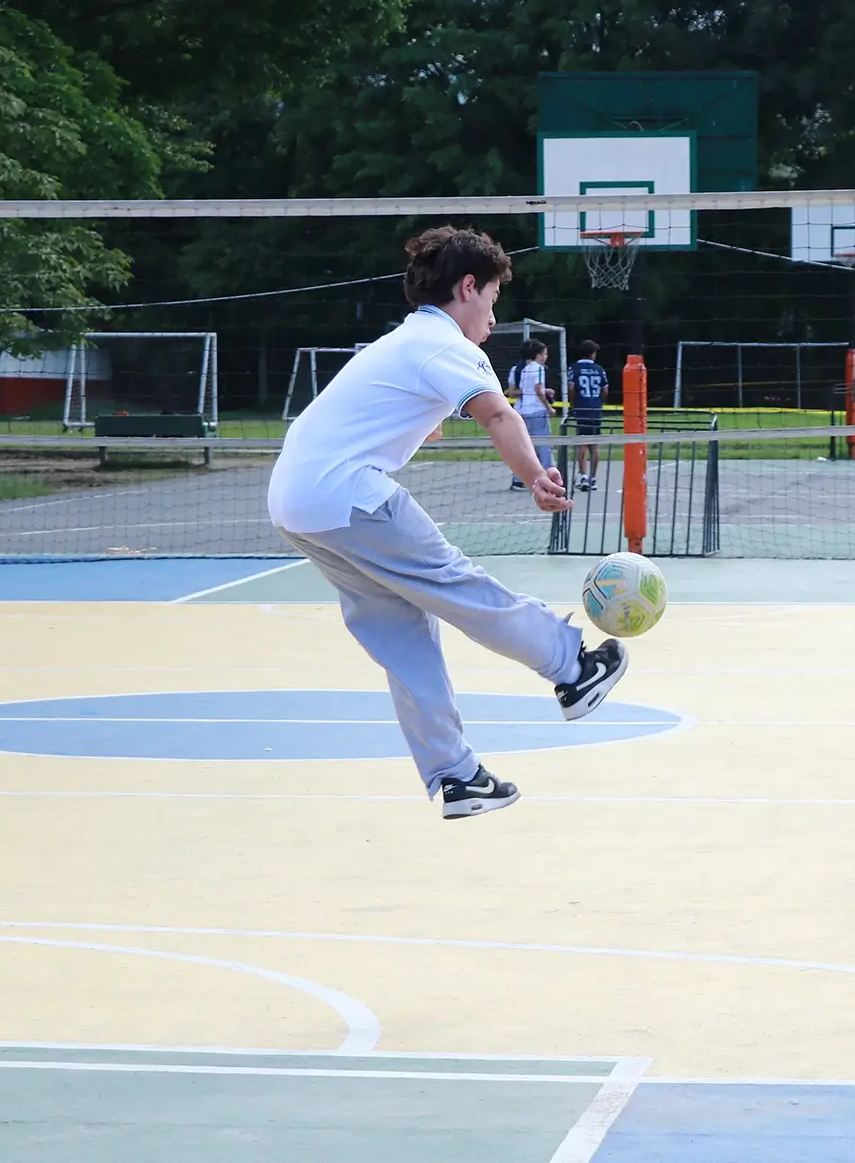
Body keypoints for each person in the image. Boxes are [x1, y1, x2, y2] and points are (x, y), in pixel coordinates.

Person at [267, 227, 629, 820]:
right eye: (491, 298)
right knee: (454, 584)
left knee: (404, 635)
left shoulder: (401, 343)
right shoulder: (445, 344)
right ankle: (573, 667)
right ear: (468, 287)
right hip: (347, 495)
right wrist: (538, 474)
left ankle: (457, 776)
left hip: (295, 504)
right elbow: (498, 415)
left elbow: (409, 417)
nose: (492, 314)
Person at [508, 340, 555, 490]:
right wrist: (549, 407)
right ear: (539, 355)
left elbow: (516, 391)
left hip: (521, 411)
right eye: (545, 353)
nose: (546, 357)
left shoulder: (520, 369)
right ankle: (549, 477)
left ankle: (519, 478)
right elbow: (537, 389)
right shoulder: (538, 369)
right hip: (536, 410)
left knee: (524, 446)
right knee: (544, 445)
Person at [567, 340, 609, 491]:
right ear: (593, 353)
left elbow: (571, 387)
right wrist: (599, 402)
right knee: (594, 444)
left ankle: (583, 475)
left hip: (582, 408)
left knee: (581, 443)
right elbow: (605, 390)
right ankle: (593, 478)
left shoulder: (575, 368)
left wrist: (574, 403)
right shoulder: (599, 369)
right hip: (595, 409)